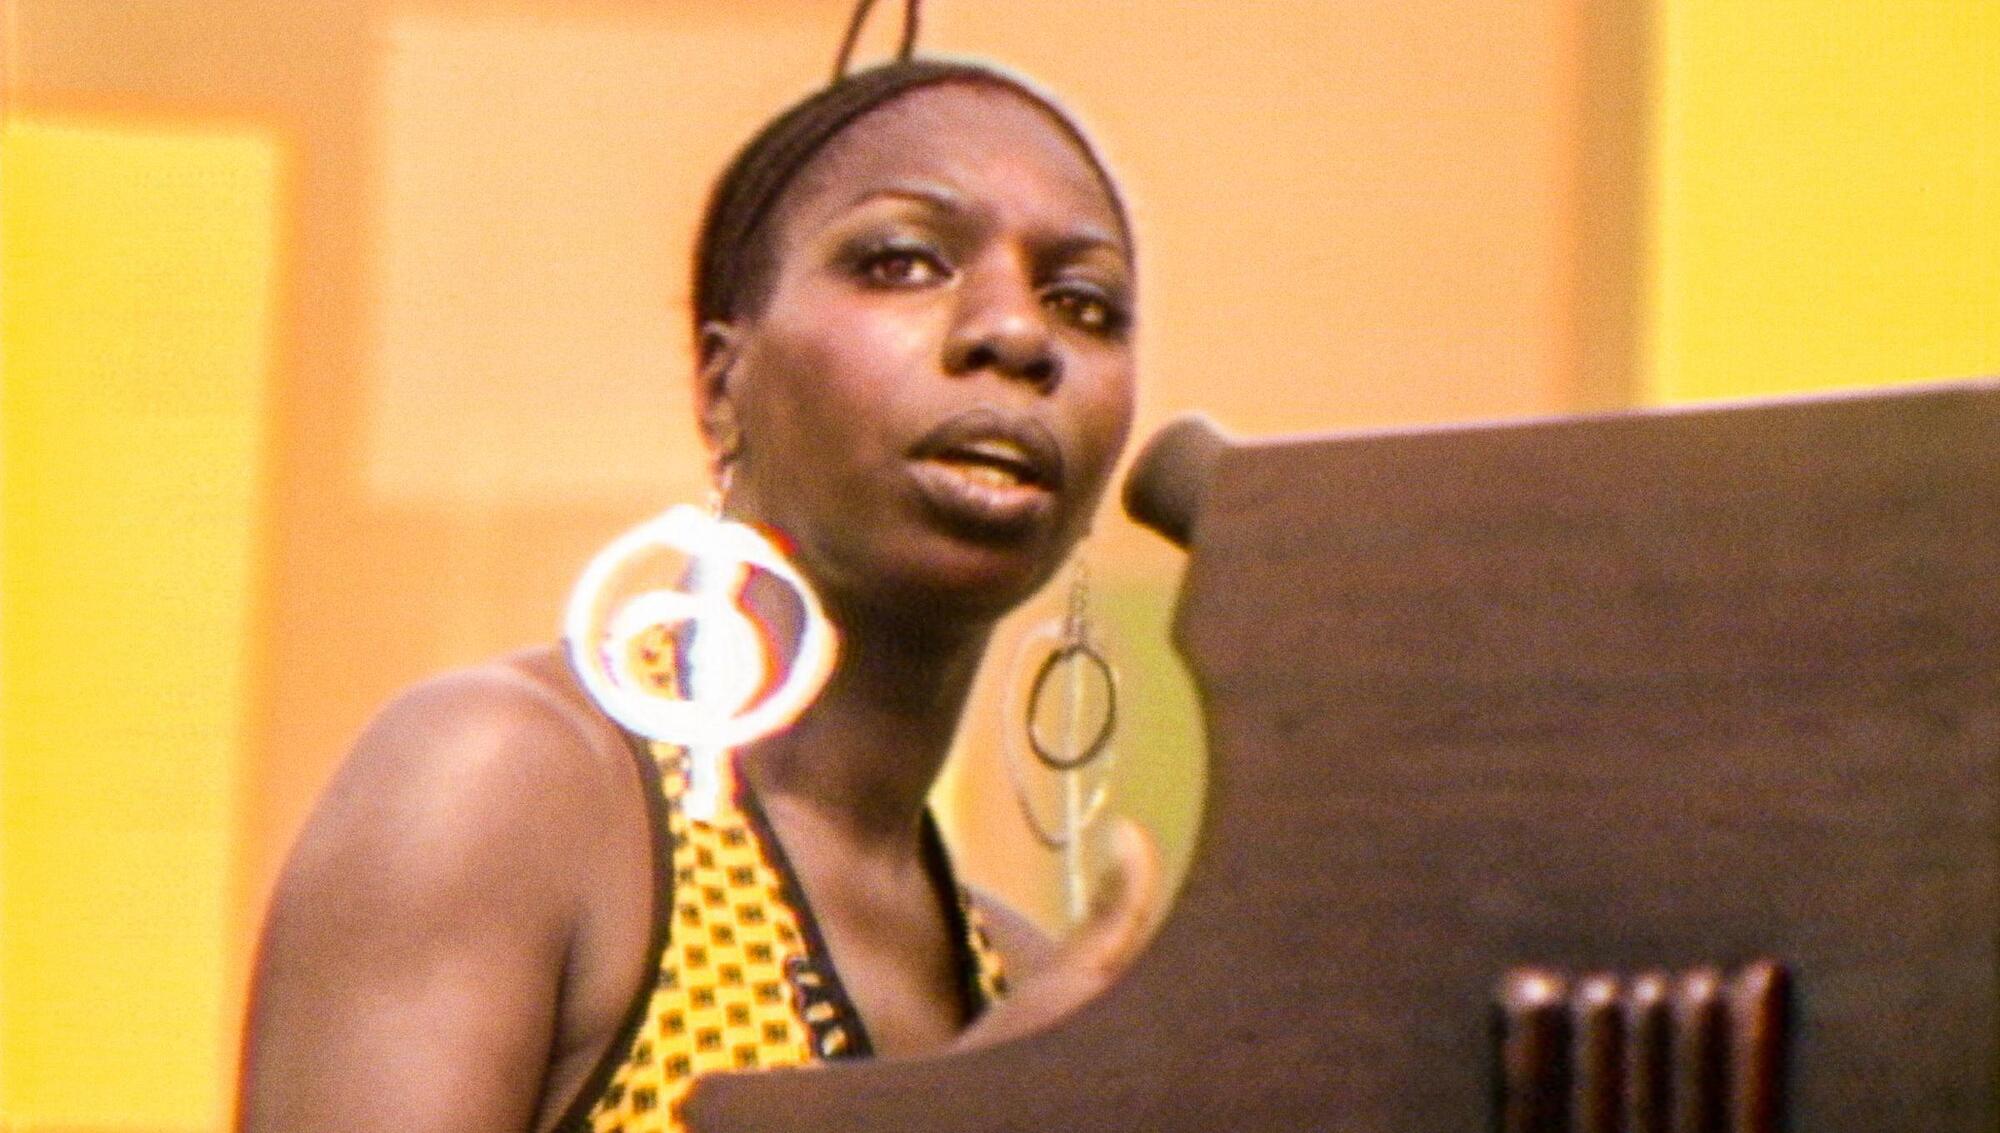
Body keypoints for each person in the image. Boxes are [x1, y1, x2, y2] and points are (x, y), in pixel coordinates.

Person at [237, 17, 1158, 1133]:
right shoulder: (503, 785)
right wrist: (965, 1113)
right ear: (723, 383)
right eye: (902, 261)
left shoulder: (1020, 974)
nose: (1016, 332)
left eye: (1083, 303)